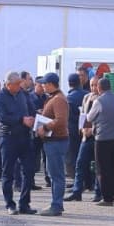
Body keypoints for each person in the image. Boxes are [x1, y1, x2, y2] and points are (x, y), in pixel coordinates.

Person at [0, 70, 36, 214]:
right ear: (8, 84)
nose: (20, 86)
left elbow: (31, 110)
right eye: (17, 84)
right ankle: (9, 204)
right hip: (8, 138)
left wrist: (34, 118)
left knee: (29, 171)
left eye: (20, 83)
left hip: (24, 137)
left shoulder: (23, 94)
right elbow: (2, 117)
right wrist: (21, 119)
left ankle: (24, 203)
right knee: (8, 173)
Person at [84, 76, 114, 205]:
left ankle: (107, 198)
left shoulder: (99, 101)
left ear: (99, 87)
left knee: (102, 169)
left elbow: (90, 117)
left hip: (102, 139)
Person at [35, 72, 70, 216]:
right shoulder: (55, 98)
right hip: (54, 141)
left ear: (50, 84)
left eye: (44, 83)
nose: (42, 86)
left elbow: (61, 120)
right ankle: (56, 204)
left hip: (56, 141)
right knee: (54, 173)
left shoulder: (58, 99)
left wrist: (45, 127)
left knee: (56, 175)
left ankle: (56, 206)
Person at [66, 76, 99, 201]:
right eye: (91, 85)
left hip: (97, 136)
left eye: (95, 85)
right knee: (80, 163)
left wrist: (93, 130)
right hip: (85, 136)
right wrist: (82, 128)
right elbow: (83, 115)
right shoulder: (86, 97)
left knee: (97, 166)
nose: (93, 88)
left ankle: (97, 192)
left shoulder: (101, 99)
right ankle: (77, 191)